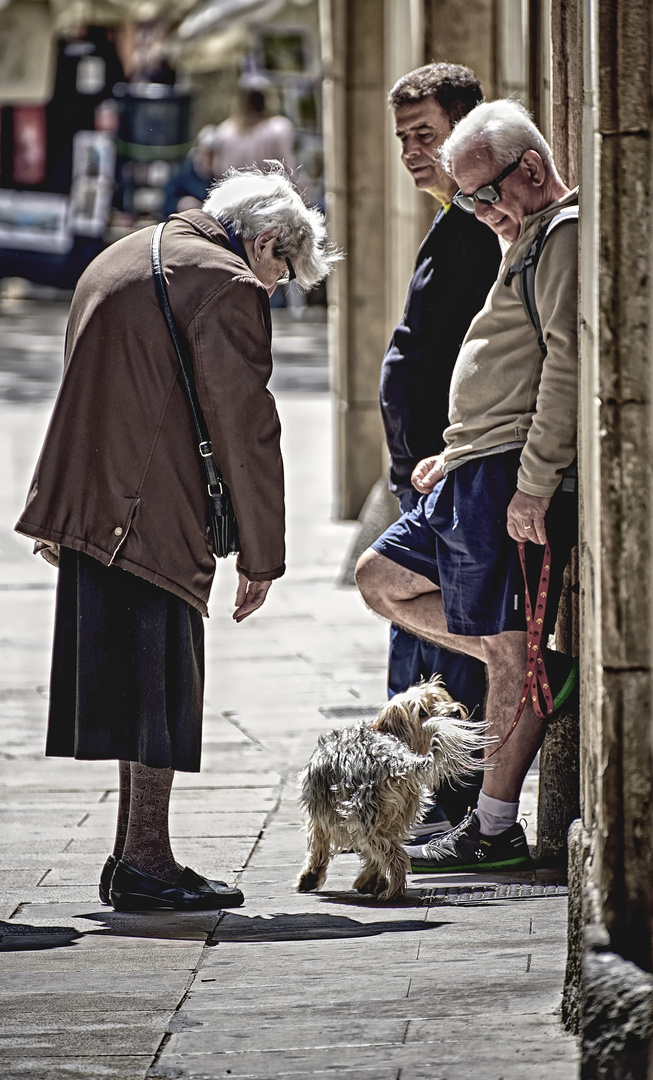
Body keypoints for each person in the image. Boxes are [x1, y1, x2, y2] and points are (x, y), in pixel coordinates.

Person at [15, 164, 339, 911]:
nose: (273, 288)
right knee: (159, 690)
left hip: (93, 504)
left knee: (138, 690)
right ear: (263, 240)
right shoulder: (225, 282)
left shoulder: (124, 253)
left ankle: (135, 855)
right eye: (281, 272)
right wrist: (263, 554)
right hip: (151, 512)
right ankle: (149, 862)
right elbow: (246, 425)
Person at [356, 99, 579, 871]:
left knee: (506, 645)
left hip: (508, 474)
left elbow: (564, 370)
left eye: (485, 193)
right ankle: (530, 674)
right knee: (380, 577)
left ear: (531, 169)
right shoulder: (519, 235)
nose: (478, 212)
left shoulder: (562, 235)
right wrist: (452, 453)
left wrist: (533, 484)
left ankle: (491, 826)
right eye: (467, 199)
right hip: (470, 467)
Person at [380, 63, 502, 830]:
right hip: (424, 470)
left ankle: (440, 798)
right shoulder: (452, 220)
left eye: (423, 134)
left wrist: (451, 448)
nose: (410, 152)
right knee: (418, 632)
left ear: (467, 129)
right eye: (401, 139)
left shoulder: (484, 229)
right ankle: (422, 795)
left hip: (451, 467)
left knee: (429, 630)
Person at [211, 74, 296, 179]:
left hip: (234, 191)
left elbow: (218, 170)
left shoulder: (225, 131)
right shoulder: (277, 129)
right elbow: (289, 169)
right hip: (269, 192)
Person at [160, 125, 216, 219]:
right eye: (206, 154)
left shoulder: (221, 174)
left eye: (212, 155)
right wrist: (180, 203)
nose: (208, 159)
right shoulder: (184, 172)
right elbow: (166, 203)